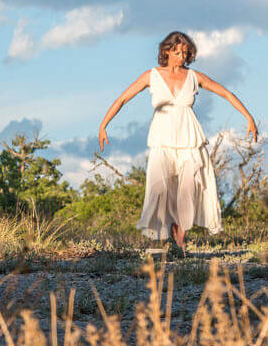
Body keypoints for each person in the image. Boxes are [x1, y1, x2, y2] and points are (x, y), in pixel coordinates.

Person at [98, 31, 257, 252]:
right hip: (162, 138)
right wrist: (103, 125)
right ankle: (172, 226)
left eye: (185, 52)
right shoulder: (151, 75)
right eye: (177, 51)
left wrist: (248, 117)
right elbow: (123, 98)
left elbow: (226, 93)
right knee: (162, 187)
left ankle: (181, 234)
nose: (182, 56)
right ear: (166, 51)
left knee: (189, 186)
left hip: (189, 138)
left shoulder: (194, 77)